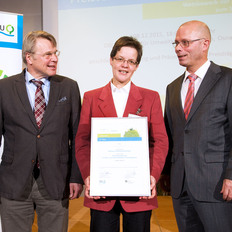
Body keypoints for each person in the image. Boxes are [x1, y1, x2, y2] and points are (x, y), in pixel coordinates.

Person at [75, 36, 168, 232]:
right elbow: (83, 141)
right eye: (120, 59)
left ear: (136, 66)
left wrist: (152, 176)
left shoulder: (150, 98)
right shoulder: (91, 97)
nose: (124, 65)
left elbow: (159, 141)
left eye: (131, 61)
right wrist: (88, 176)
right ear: (111, 60)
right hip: (102, 190)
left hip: (138, 190)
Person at [0, 31, 83, 232]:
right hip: (14, 182)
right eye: (47, 54)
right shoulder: (4, 88)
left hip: (56, 182)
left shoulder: (69, 87)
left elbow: (78, 137)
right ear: (29, 57)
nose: (54, 59)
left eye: (55, 53)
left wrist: (76, 177)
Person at [163, 20, 232, 231]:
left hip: (217, 186)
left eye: (185, 42)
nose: (178, 48)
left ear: (205, 44)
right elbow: (171, 135)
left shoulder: (228, 79)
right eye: (176, 43)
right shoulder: (172, 87)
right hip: (180, 188)